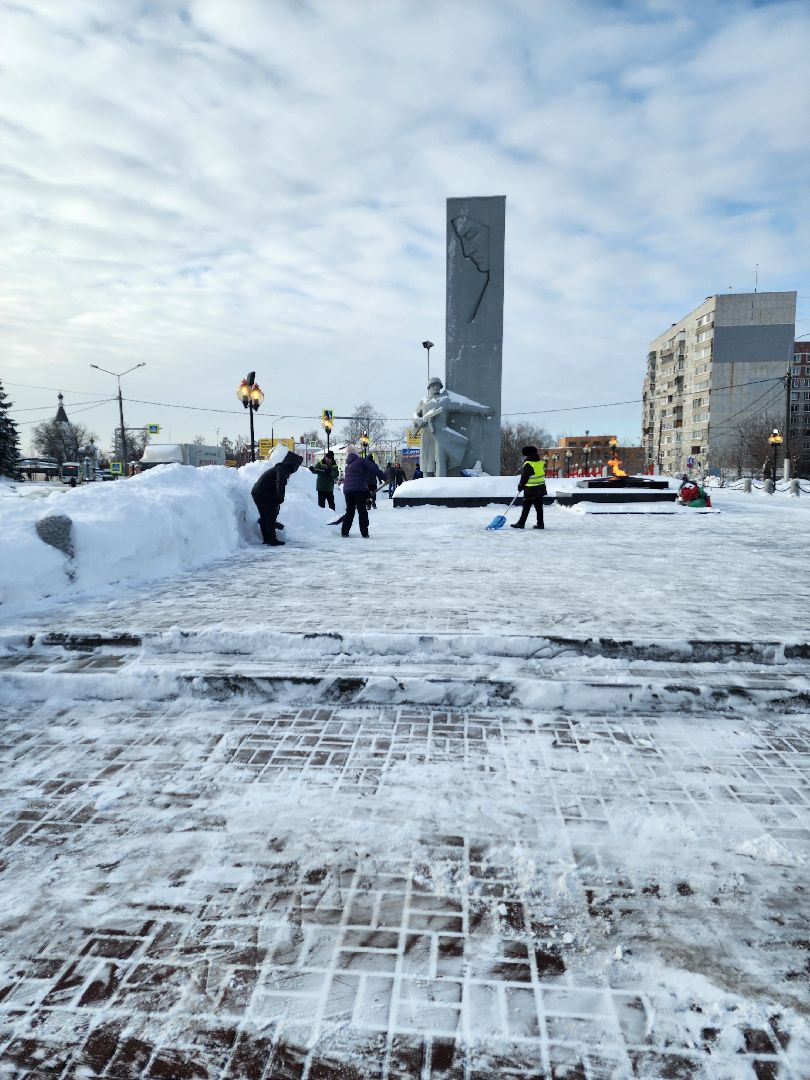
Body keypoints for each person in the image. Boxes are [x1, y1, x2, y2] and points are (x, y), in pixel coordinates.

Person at [412, 377, 493, 476]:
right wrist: (418, 420)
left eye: (438, 385)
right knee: (427, 463)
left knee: (440, 459)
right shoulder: (423, 401)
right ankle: (427, 487)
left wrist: (481, 409)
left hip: (441, 434)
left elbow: (462, 406)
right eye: (433, 385)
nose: (435, 387)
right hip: (427, 436)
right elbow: (415, 415)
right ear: (429, 387)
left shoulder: (445, 400)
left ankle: (440, 484)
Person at [251, 450, 303, 546]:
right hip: (264, 494)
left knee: (265, 517)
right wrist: (280, 497)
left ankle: (267, 539)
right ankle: (272, 540)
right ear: (293, 465)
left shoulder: (280, 468)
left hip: (258, 493)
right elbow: (280, 483)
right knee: (270, 516)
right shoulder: (282, 470)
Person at [341, 447, 385, 538]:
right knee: (362, 511)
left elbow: (357, 479)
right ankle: (364, 533)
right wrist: (385, 477)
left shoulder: (347, 466)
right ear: (356, 454)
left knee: (350, 511)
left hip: (347, 490)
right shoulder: (361, 461)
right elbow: (374, 468)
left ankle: (344, 531)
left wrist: (366, 491)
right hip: (358, 490)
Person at [511, 446, 547, 530]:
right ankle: (540, 524)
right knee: (539, 508)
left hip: (530, 490)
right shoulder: (540, 462)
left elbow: (525, 476)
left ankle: (521, 523)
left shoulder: (529, 464)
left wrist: (520, 485)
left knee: (526, 507)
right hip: (540, 488)